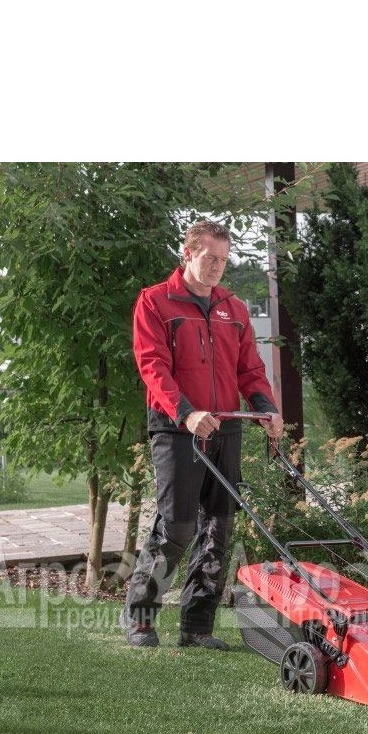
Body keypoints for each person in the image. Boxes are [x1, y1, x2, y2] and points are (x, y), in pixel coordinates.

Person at [122, 219, 283, 649]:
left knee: (218, 529)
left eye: (223, 260)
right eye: (210, 258)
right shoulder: (156, 302)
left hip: (225, 426)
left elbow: (250, 370)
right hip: (177, 428)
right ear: (188, 253)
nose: (217, 267)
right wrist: (186, 413)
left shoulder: (234, 309)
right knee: (176, 526)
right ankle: (140, 617)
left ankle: (197, 627)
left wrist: (266, 409)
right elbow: (152, 366)